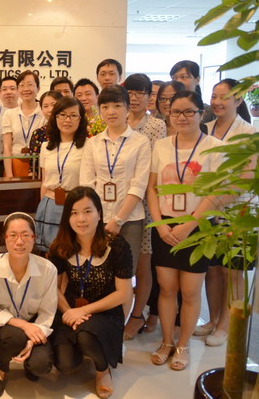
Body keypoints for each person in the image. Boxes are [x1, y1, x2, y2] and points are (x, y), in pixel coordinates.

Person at [147, 90, 224, 371]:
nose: (182, 117)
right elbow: (152, 189)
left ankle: (183, 345)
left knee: (190, 292)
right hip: (164, 226)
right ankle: (167, 341)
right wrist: (160, 224)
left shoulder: (214, 147)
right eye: (176, 111)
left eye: (189, 111)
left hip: (198, 227)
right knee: (166, 289)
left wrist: (189, 224)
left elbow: (215, 193)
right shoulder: (161, 146)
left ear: (201, 113)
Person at [49, 186, 133, 399]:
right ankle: (85, 349)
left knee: (87, 336)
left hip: (106, 311)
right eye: (74, 213)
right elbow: (53, 288)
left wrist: (83, 311)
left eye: (88, 211)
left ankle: (102, 370)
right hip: (70, 310)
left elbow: (123, 293)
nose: (81, 219)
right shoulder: (60, 246)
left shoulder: (116, 245)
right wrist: (69, 312)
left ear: (99, 214)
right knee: (65, 365)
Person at [196, 79, 257, 347]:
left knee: (232, 271)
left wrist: (215, 201)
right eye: (214, 96)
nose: (217, 102)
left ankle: (226, 325)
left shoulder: (249, 134)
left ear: (239, 99)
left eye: (224, 97)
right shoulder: (205, 128)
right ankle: (212, 320)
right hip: (208, 211)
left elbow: (246, 179)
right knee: (212, 269)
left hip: (239, 212)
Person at [0, 212, 58, 398]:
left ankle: (29, 361)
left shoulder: (48, 270)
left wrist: (32, 339)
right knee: (14, 338)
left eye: (25, 235)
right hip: (2, 328)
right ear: (5, 238)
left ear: (34, 238)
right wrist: (22, 325)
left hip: (35, 326)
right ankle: (0, 368)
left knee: (41, 366)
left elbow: (47, 313)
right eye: (13, 235)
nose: (19, 242)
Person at [79, 85, 150, 271]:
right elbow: (87, 184)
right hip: (97, 219)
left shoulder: (141, 142)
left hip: (130, 219)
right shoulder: (93, 143)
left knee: (126, 273)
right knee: (98, 271)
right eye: (105, 107)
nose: (111, 112)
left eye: (117, 106)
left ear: (128, 108)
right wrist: (95, 217)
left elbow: (139, 185)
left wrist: (118, 220)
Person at [122, 73, 167, 340]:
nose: (135, 98)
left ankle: (137, 315)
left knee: (143, 262)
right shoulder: (119, 120)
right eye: (131, 93)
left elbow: (153, 166)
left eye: (141, 93)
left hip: (145, 202)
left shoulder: (156, 125)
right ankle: (120, 312)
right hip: (119, 201)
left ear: (150, 97)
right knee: (121, 261)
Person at [35, 97, 88, 254]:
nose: (67, 120)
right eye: (62, 115)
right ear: (55, 117)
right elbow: (44, 181)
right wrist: (42, 205)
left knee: (74, 251)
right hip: (49, 205)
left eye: (73, 115)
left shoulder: (88, 145)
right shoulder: (46, 147)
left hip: (75, 205)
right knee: (51, 253)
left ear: (80, 119)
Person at [2, 71, 45, 177]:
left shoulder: (45, 112)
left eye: (30, 84)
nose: (26, 89)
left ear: (38, 88)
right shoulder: (9, 114)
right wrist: (9, 174)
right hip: (15, 165)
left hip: (39, 166)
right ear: (18, 89)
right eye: (21, 85)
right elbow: (7, 147)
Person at [28, 90, 62, 161]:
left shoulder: (70, 130)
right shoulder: (38, 134)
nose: (50, 110)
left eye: (53, 105)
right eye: (45, 106)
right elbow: (34, 162)